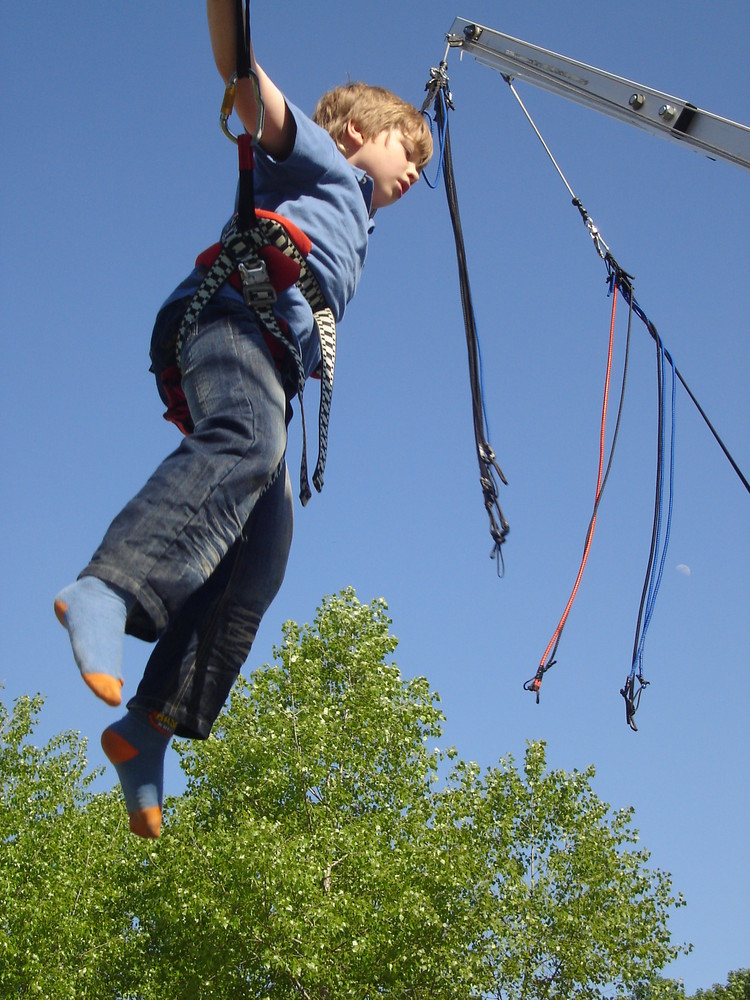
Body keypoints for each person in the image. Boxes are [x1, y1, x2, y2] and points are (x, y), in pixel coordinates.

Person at [53, 1, 432, 839]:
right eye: (408, 148)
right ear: (356, 131)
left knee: (263, 551)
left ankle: (147, 728)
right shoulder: (323, 167)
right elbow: (246, 84)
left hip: (271, 361)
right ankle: (107, 588)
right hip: (225, 318)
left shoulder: (358, 223)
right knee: (250, 441)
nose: (415, 172)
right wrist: (236, 29)